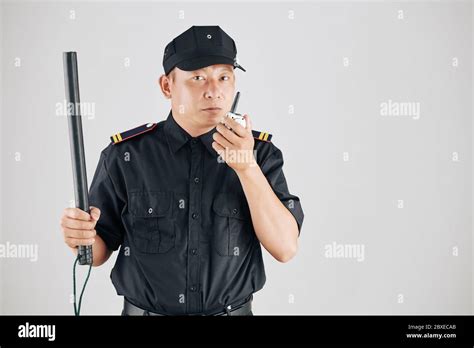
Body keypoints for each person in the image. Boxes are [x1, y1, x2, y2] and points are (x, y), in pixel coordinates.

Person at [60, 25, 304, 316]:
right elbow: (96, 253)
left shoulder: (261, 154)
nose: (213, 91)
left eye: (223, 77)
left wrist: (246, 168)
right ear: (167, 86)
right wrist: (79, 236)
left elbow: (285, 248)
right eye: (198, 78)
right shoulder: (126, 155)